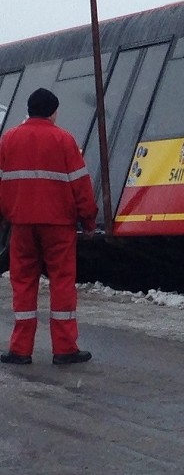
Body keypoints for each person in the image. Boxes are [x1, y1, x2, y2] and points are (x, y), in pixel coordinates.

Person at [0, 88, 97, 365]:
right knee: (62, 282)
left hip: (21, 225)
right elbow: (81, 185)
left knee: (23, 282)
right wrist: (88, 220)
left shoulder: (8, 140)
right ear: (53, 112)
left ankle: (20, 349)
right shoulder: (63, 139)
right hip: (58, 226)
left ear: (29, 110)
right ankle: (64, 348)